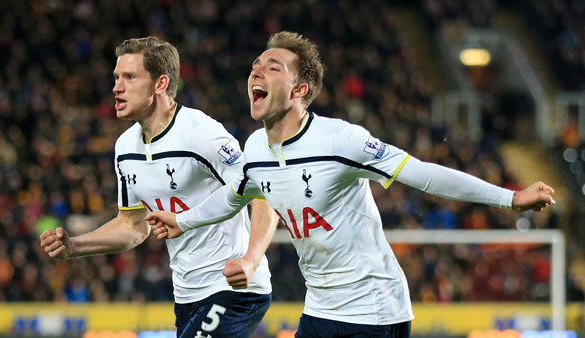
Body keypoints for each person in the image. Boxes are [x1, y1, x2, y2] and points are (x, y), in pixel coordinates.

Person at [145, 32, 556, 338]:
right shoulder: (256, 148)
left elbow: (424, 174)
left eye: (274, 67)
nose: (257, 70)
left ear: (300, 90)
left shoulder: (341, 140)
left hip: (375, 312)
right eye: (256, 64)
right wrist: (185, 221)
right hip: (320, 310)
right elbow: (235, 198)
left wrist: (510, 198)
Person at [39, 36, 278, 338]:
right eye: (116, 78)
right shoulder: (125, 148)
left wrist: (251, 260)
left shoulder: (202, 135)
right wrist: (75, 246)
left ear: (160, 84)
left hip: (235, 289)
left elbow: (262, 195)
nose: (117, 87)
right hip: (187, 295)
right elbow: (133, 225)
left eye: (129, 77)